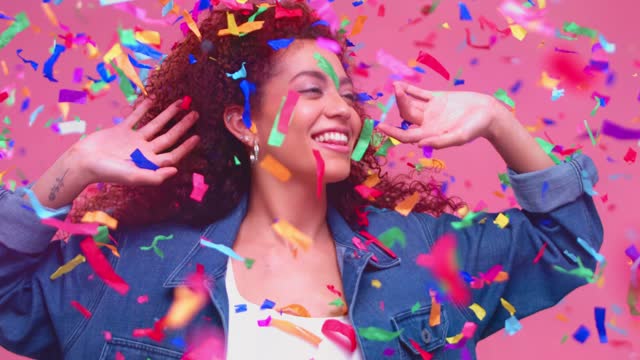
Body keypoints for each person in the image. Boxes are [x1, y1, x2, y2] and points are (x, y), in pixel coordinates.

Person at [0, 2, 603, 359]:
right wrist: (72, 167)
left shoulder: (425, 254)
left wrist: (498, 121)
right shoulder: (133, 270)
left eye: (345, 92)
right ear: (241, 121)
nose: (341, 108)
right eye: (311, 91)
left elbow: (570, 247)